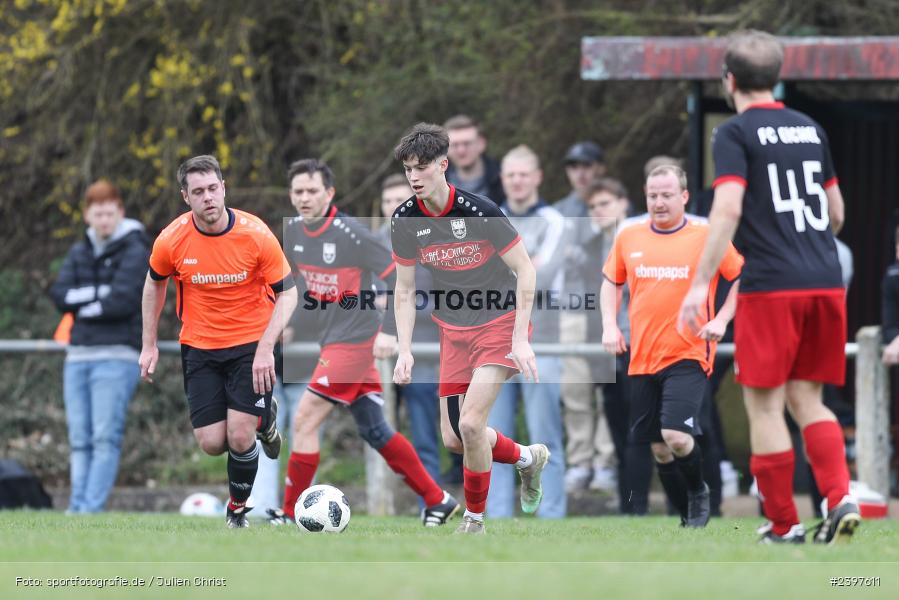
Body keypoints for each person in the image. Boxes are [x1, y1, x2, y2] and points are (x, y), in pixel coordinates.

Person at [679, 30, 859, 544]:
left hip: (772, 285)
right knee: (810, 400)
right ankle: (839, 497)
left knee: (765, 406)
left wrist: (699, 285)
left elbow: (729, 206)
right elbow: (837, 213)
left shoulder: (734, 134)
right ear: (776, 77)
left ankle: (784, 524)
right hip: (825, 281)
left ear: (729, 80)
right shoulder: (809, 128)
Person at [272, 158, 458, 527]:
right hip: (333, 340)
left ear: (329, 193)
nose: (304, 198)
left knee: (305, 419)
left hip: (355, 340)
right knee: (376, 429)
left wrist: (389, 331)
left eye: (312, 191)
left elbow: (397, 280)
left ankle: (290, 513)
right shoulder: (293, 232)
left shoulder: (352, 234)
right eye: (298, 191)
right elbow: (307, 290)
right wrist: (289, 323)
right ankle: (438, 500)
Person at [391, 123, 547, 534]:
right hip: (453, 330)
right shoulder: (405, 219)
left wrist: (519, 339)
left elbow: (526, 270)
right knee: (456, 440)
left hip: (498, 322)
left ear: (444, 165)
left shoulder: (481, 211)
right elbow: (404, 290)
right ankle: (528, 459)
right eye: (408, 168)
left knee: (472, 425)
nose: (414, 176)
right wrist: (404, 349)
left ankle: (474, 521)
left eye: (422, 167)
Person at [140, 155, 296, 528]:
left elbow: (288, 294)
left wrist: (265, 349)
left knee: (239, 436)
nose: (207, 197)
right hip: (199, 346)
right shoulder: (172, 239)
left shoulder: (255, 234)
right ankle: (266, 419)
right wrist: (148, 344)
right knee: (212, 442)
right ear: (185, 196)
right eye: (198, 191)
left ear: (223, 188)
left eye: (213, 188)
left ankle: (237, 512)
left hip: (251, 345)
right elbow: (153, 284)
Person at [602, 165, 743, 528]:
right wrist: (608, 326)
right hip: (642, 356)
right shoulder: (629, 235)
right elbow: (610, 282)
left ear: (683, 197)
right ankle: (687, 519)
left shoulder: (706, 235)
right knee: (659, 449)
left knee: (677, 437)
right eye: (652, 196)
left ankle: (699, 492)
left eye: (667, 195)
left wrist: (722, 320)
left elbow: (741, 275)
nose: (659, 203)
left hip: (690, 353)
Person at [49, 180, 150, 513]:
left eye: (110, 213)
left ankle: (89, 509)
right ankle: (75, 510)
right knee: (80, 439)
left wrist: (85, 303)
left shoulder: (136, 250)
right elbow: (60, 295)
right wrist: (96, 298)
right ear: (87, 216)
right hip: (77, 356)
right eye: (98, 213)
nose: (104, 219)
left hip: (116, 355)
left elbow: (121, 301)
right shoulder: (79, 251)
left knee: (104, 437)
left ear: (120, 212)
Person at [487, 145, 567, 519]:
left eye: (524, 174)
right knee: (493, 435)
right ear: (503, 179)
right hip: (495, 339)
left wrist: (512, 269)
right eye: (511, 175)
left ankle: (550, 515)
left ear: (537, 177)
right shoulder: (490, 216)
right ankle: (496, 515)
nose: (517, 181)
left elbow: (544, 274)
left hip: (544, 339)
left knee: (544, 433)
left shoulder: (555, 220)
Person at [553, 141, 617, 491]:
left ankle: (606, 460)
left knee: (607, 388)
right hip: (572, 311)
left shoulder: (616, 208)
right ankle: (580, 461)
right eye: (574, 166)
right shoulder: (557, 213)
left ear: (600, 168)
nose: (581, 172)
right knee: (575, 389)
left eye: (587, 165)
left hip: (609, 311)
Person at [578, 177, 644, 511]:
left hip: (640, 347)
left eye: (604, 204)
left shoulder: (640, 239)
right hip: (607, 351)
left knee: (640, 433)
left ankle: (639, 505)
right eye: (592, 206)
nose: (597, 211)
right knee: (618, 429)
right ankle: (629, 506)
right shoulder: (593, 248)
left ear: (623, 202)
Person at [376, 174, 445, 489]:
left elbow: (439, 296)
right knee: (380, 434)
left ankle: (431, 504)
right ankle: (384, 501)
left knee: (425, 434)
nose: (393, 207)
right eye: (387, 201)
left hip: (422, 349)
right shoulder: (373, 241)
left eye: (398, 200)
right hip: (378, 353)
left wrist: (393, 302)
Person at [444, 115, 505, 204]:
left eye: (467, 143)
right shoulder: (435, 182)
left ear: (481, 144)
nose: (461, 150)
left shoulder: (504, 180)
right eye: (455, 145)